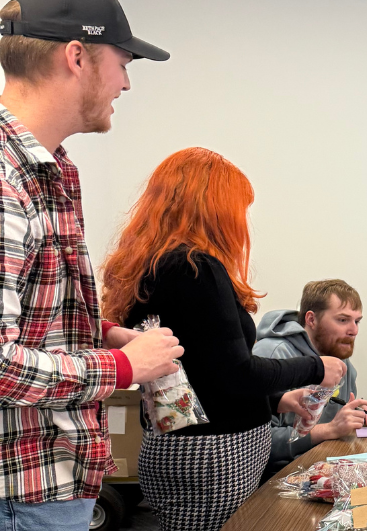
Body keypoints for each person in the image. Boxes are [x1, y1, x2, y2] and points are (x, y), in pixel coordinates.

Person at [0, 1, 184, 529]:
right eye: (123, 63)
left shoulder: (50, 168)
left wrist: (98, 334)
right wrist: (125, 368)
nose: (125, 84)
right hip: (20, 497)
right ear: (77, 56)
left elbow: (31, 308)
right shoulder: (7, 180)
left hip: (51, 486)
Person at [100, 147, 346, 531]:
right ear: (212, 207)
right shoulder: (196, 267)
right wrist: (317, 367)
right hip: (212, 457)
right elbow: (235, 372)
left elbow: (202, 369)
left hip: (179, 447)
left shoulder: (152, 267)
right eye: (238, 208)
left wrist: (278, 399)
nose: (241, 220)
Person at [254, 279, 367, 481]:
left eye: (357, 321)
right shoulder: (272, 354)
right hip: (276, 480)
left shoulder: (340, 360)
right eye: (342, 320)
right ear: (311, 320)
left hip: (321, 469)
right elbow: (256, 446)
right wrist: (329, 429)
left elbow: (338, 416)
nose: (354, 330)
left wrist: (359, 417)